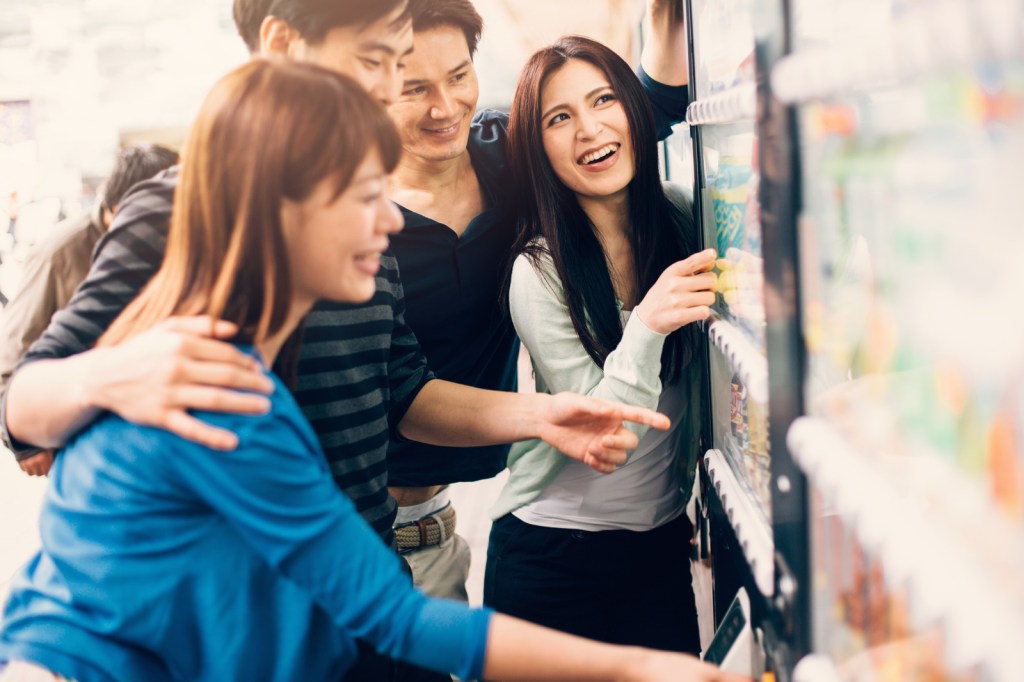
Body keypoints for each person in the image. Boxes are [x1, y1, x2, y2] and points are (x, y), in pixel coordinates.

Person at [0, 59, 749, 682]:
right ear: (281, 211)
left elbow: (405, 407)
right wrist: (636, 669)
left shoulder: (253, 377)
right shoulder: (216, 396)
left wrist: (541, 415)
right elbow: (388, 616)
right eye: (366, 196)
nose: (392, 219)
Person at [386, 0, 693, 602]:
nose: (444, 107)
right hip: (346, 520)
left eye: (458, 76)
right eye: (414, 89)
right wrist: (550, 417)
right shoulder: (352, 222)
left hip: (436, 525)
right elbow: (406, 397)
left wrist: (665, 13)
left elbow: (638, 114)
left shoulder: (505, 155)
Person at [483, 35, 718, 654]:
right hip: (552, 557)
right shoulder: (538, 271)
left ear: (634, 110)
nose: (589, 130)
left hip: (659, 543)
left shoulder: (682, 217)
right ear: (538, 149)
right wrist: (648, 324)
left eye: (603, 99)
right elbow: (606, 440)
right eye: (559, 118)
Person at [0, 144, 178, 477]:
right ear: (125, 206)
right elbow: (14, 350)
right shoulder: (60, 252)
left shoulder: (166, 240)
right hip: (83, 432)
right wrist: (25, 443)